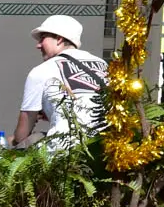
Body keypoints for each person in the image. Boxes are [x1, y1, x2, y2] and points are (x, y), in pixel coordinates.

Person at [13, 14, 108, 147]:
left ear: (59, 39)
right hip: (104, 152)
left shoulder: (41, 71)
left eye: (42, 38)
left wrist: (16, 141)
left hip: (63, 156)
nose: (38, 45)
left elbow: (22, 132)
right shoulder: (103, 65)